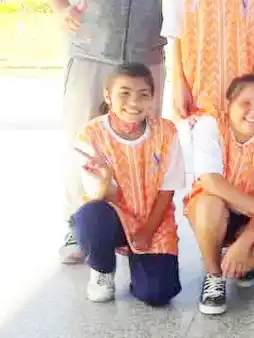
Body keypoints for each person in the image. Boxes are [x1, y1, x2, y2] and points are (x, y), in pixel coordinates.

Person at [35, 0, 179, 263]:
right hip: (91, 50)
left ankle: (138, 225)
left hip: (146, 54)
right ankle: (78, 227)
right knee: (83, 141)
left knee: (147, 146)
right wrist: (60, 6)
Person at [71, 63, 184, 306]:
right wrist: (104, 179)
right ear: (107, 96)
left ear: (153, 98)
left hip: (153, 219)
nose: (134, 102)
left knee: (158, 294)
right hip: (112, 214)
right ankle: (102, 269)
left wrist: (148, 230)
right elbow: (97, 196)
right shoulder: (91, 134)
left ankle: (140, 266)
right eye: (124, 93)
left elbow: (168, 188)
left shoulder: (166, 132)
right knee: (90, 216)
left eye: (143, 94)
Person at [184, 74, 254, 315]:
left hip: (249, 217)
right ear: (229, 104)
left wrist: (244, 244)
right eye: (245, 103)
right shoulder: (210, 124)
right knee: (211, 204)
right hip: (212, 209)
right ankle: (214, 274)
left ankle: (237, 259)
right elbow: (210, 180)